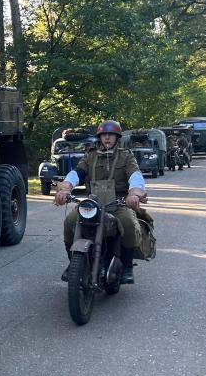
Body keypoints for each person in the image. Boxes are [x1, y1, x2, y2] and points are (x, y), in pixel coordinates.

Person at [53, 120, 147, 284]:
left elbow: (135, 175)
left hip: (118, 203)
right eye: (104, 135)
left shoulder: (126, 156)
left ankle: (126, 267)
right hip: (93, 203)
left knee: (129, 225)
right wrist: (65, 188)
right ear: (100, 137)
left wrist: (134, 193)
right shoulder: (90, 156)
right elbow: (76, 173)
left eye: (111, 135)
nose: (107, 138)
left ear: (117, 137)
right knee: (69, 223)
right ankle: (74, 263)